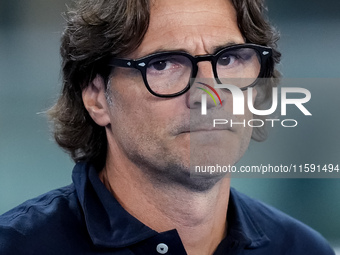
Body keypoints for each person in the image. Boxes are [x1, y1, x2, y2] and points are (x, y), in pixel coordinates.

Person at [0, 0, 335, 254]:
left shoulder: (302, 248)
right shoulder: (17, 246)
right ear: (97, 96)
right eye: (163, 64)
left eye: (229, 59)